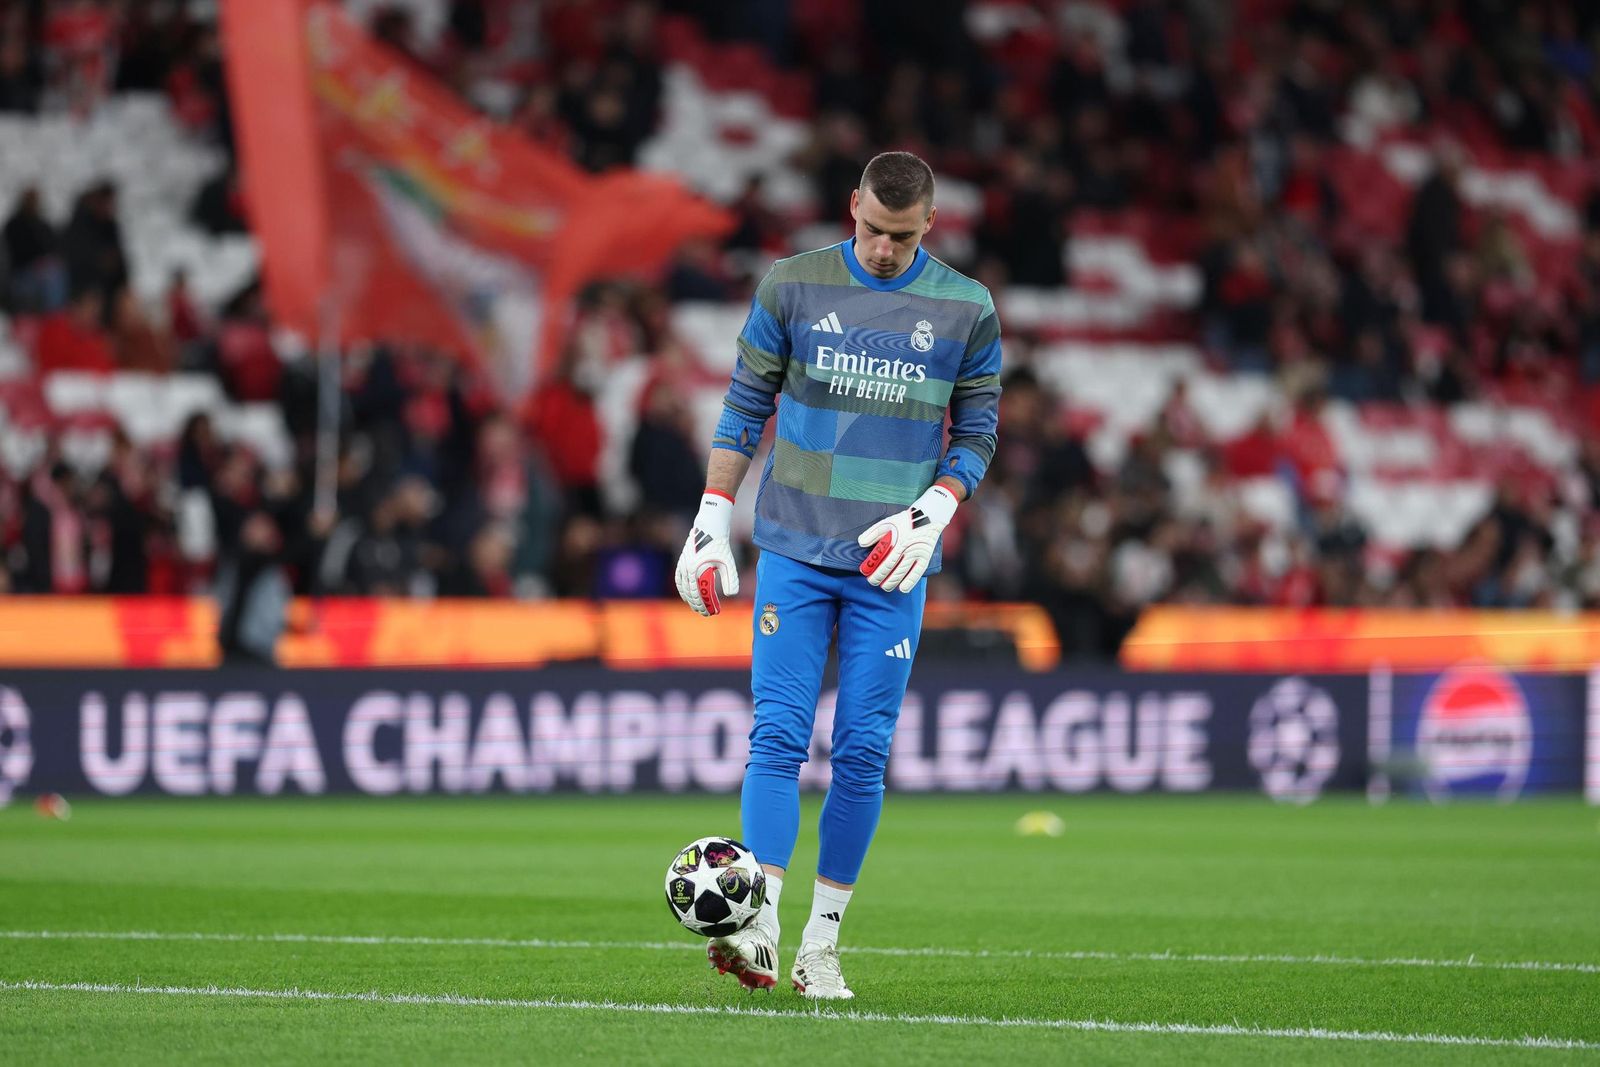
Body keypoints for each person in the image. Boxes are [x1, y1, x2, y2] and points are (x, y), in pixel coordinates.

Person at [673, 151, 1002, 998]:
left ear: (930, 225)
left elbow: (977, 431)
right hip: (793, 545)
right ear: (852, 205)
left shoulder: (966, 306)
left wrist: (937, 507)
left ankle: (821, 945)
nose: (885, 249)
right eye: (874, 230)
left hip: (891, 561)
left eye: (903, 237)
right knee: (777, 735)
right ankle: (760, 924)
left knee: (861, 751)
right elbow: (745, 403)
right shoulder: (792, 284)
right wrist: (712, 514)